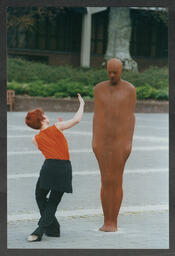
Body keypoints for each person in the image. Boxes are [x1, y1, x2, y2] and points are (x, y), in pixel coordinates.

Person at [25, 93, 85, 241]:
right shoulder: (57, 127)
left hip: (48, 167)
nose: (46, 115)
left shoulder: (35, 139)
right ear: (43, 119)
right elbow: (77, 119)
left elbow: (47, 143)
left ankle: (51, 229)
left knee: (40, 196)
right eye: (44, 115)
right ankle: (43, 230)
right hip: (63, 168)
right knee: (53, 201)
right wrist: (82, 104)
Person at [92, 58, 136, 232]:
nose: (111, 75)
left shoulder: (129, 90)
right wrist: (94, 141)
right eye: (109, 72)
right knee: (105, 180)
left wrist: (128, 143)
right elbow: (96, 117)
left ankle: (113, 221)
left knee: (115, 181)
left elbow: (131, 118)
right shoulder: (98, 89)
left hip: (119, 143)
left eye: (115, 72)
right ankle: (106, 220)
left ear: (121, 71)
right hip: (102, 142)